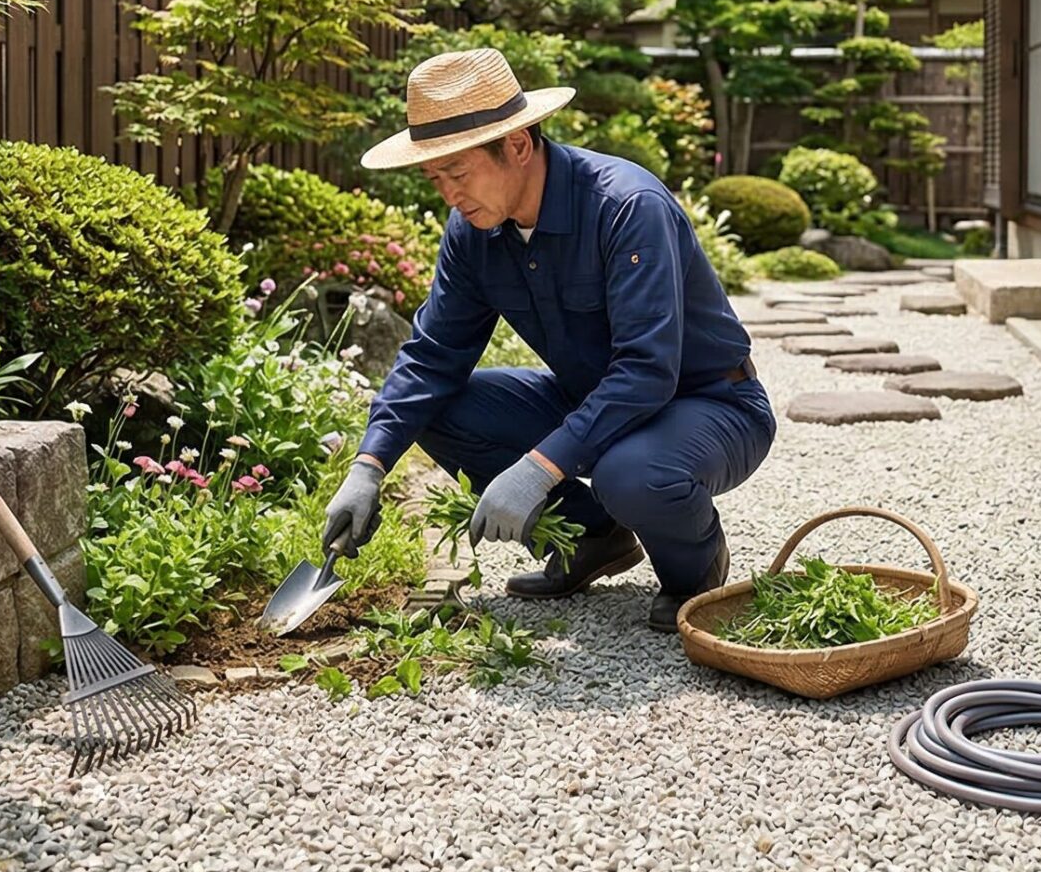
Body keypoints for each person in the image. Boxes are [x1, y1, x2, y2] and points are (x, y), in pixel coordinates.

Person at [317, 47, 773, 631]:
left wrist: (537, 468)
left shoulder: (626, 207)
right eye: (436, 179)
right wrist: (369, 465)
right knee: (440, 408)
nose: (449, 195)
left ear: (518, 146)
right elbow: (432, 357)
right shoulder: (474, 231)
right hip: (592, 398)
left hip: (709, 403)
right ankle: (594, 539)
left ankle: (695, 568)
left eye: (458, 173)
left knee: (627, 473)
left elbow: (645, 371)